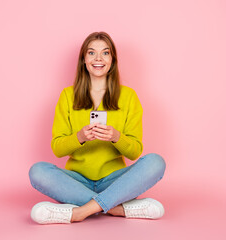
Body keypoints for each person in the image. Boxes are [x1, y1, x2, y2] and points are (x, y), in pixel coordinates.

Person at [28, 32, 166, 224]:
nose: (98, 58)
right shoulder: (68, 95)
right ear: (83, 60)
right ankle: (115, 208)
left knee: (156, 162)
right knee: (37, 171)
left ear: (112, 60)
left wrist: (116, 136)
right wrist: (80, 137)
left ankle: (81, 212)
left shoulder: (128, 96)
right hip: (76, 181)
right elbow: (57, 149)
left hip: (115, 181)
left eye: (105, 53)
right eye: (91, 53)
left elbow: (135, 152)